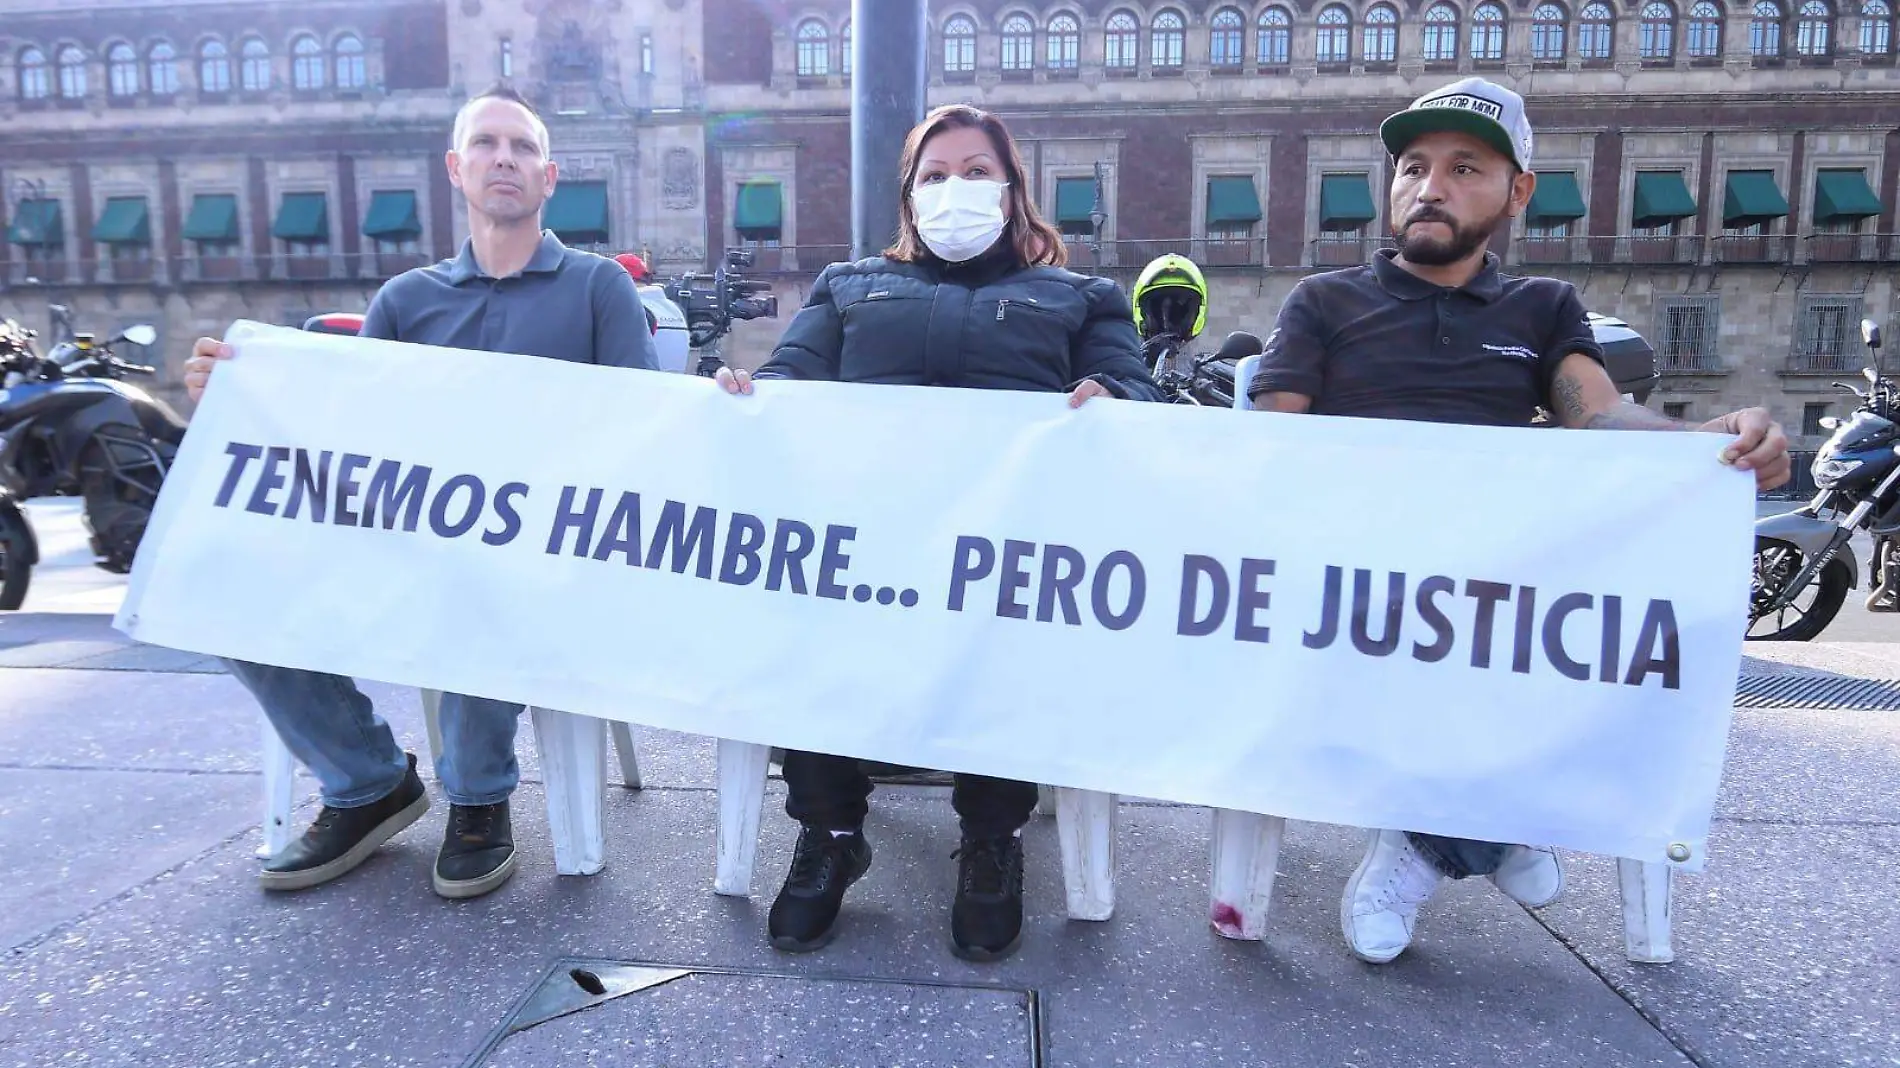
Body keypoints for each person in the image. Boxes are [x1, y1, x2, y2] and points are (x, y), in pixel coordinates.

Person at [1247, 77, 1790, 965]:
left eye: (1466, 168)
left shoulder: (1543, 307)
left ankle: (1424, 845)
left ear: (1519, 190)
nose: (1431, 186)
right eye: (1414, 167)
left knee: (1604, 637)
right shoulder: (1323, 301)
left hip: (1495, 589)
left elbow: (1599, 417)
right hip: (1354, 587)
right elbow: (1268, 448)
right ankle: (1496, 827)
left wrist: (1709, 444)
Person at [181, 84, 659, 899]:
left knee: (481, 569)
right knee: (231, 591)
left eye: (521, 148)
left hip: (543, 552)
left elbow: (647, 426)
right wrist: (236, 399)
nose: (502, 158)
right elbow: (355, 439)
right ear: (456, 168)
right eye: (485, 144)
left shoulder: (598, 289)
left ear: (549, 178)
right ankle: (368, 782)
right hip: (405, 543)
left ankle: (477, 800)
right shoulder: (404, 300)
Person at [716, 103, 1162, 962]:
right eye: (934, 176)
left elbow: (1136, 391)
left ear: (1011, 189)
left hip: (1005, 561)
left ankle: (992, 842)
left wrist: (1114, 401)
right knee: (801, 626)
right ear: (910, 199)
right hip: (868, 554)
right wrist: (750, 397)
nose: (954, 189)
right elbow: (791, 382)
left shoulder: (1081, 297)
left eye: (975, 172)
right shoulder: (849, 286)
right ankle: (830, 832)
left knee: (1009, 640)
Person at [1130, 252, 1209, 376]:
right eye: (1156, 306)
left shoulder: (1208, 372)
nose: (1167, 324)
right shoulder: (1126, 366)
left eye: (1178, 310)